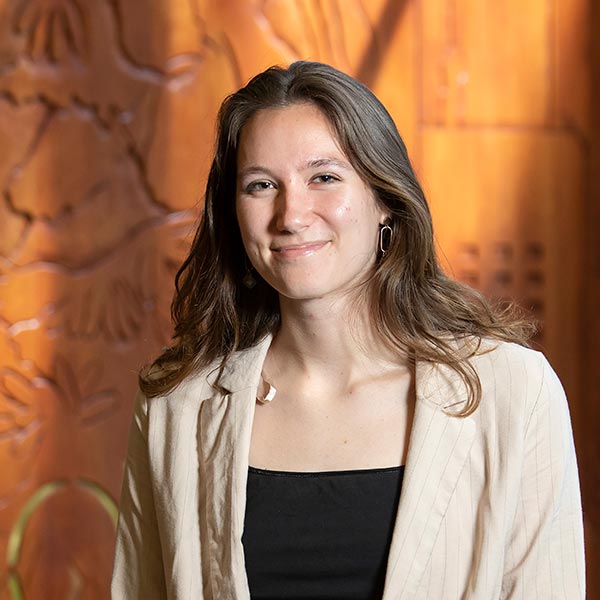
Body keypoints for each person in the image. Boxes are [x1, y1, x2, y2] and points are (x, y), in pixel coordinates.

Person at [111, 61, 585, 599]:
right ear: (234, 213)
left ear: (384, 197)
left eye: (324, 177)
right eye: (261, 184)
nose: (291, 215)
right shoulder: (177, 404)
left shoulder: (513, 391)